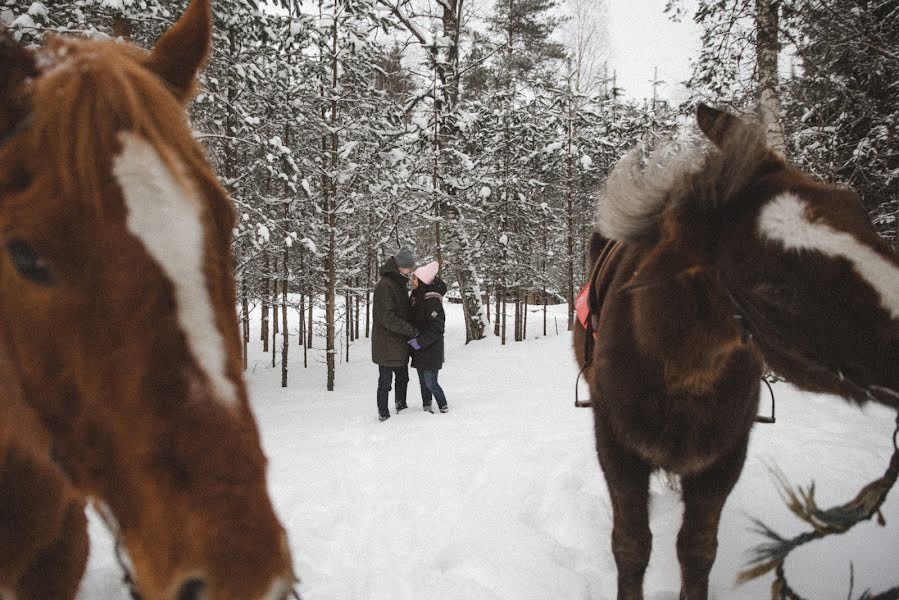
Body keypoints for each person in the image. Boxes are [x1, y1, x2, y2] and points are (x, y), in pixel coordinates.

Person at [372, 247, 417, 422]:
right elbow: (387, 317)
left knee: (402, 378)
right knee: (385, 381)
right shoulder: (386, 285)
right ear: (400, 267)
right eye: (409, 268)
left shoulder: (398, 283)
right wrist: (410, 329)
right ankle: (383, 413)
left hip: (399, 342)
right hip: (386, 343)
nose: (411, 271)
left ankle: (401, 407)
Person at [407, 261, 449, 414]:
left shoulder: (432, 301)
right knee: (423, 382)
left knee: (431, 382)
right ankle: (427, 407)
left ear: (423, 280)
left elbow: (437, 328)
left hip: (431, 349)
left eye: (415, 278)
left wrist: (419, 342)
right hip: (419, 348)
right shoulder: (417, 297)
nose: (412, 281)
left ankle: (443, 406)